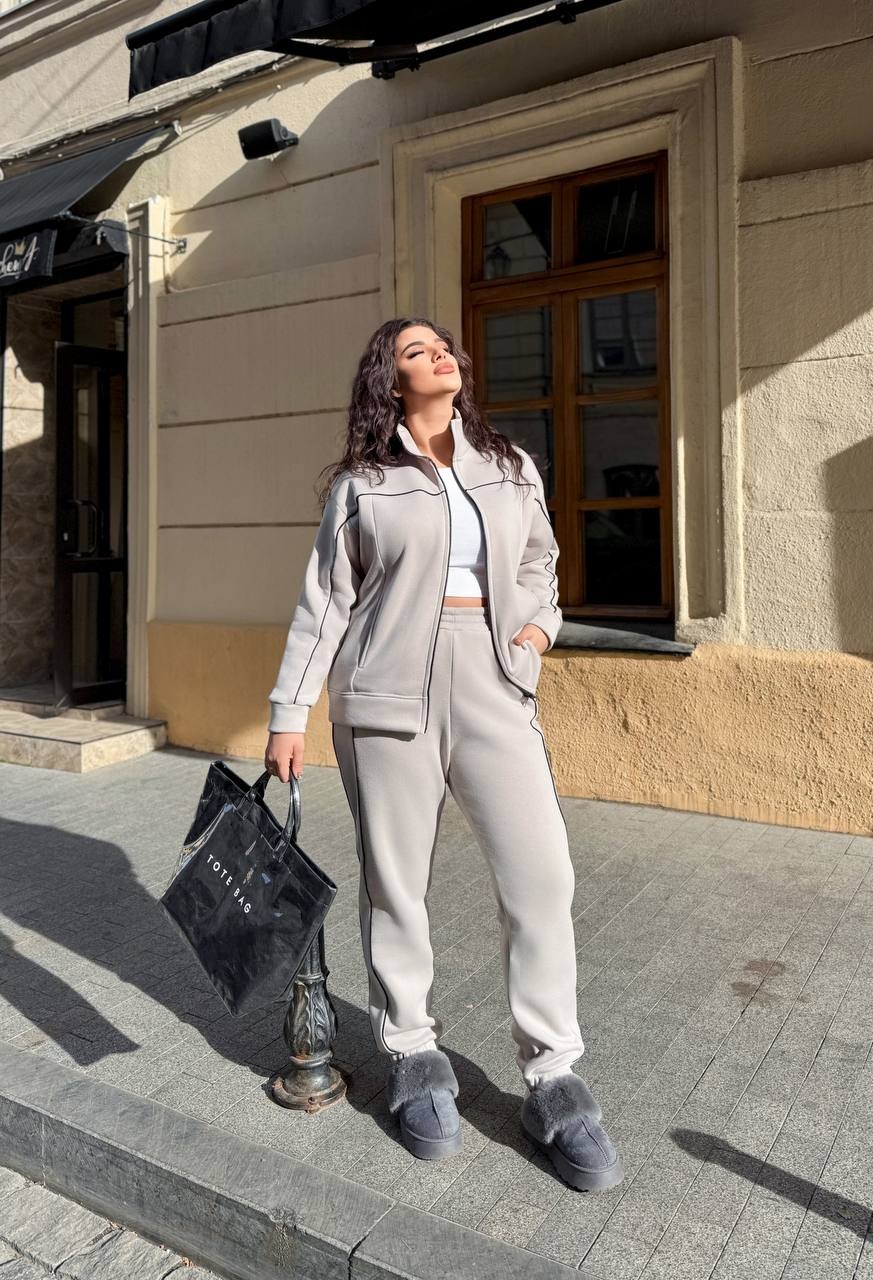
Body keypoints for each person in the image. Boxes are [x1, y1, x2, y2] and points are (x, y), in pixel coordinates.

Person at [264, 317, 623, 1191]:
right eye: (416, 350)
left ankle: (553, 1075)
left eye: (444, 346)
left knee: (542, 877)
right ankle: (413, 1056)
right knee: (395, 885)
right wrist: (288, 714)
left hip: (493, 684)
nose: (440, 356)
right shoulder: (364, 484)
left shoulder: (508, 465)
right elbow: (325, 602)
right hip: (384, 698)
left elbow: (540, 562)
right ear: (389, 380)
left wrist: (535, 635)